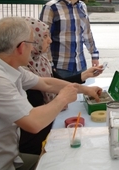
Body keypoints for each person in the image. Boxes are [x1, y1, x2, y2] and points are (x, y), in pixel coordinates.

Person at [0, 16, 102, 170]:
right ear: (21, 47)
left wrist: (85, 90)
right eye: (31, 44)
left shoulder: (9, 68)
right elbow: (33, 122)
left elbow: (46, 83)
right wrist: (63, 99)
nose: (33, 49)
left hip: (12, 158)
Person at [19, 17, 104, 155]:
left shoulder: (40, 61)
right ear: (31, 41)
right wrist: (62, 99)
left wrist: (84, 78)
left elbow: (53, 82)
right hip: (34, 141)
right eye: (45, 36)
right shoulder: (21, 70)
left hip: (44, 129)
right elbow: (35, 119)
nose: (50, 41)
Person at [40, 0, 99, 78]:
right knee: (62, 94)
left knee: (80, 94)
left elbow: (87, 33)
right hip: (60, 68)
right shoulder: (51, 7)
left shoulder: (82, 7)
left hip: (80, 66)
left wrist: (94, 55)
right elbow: (43, 38)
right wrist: (49, 65)